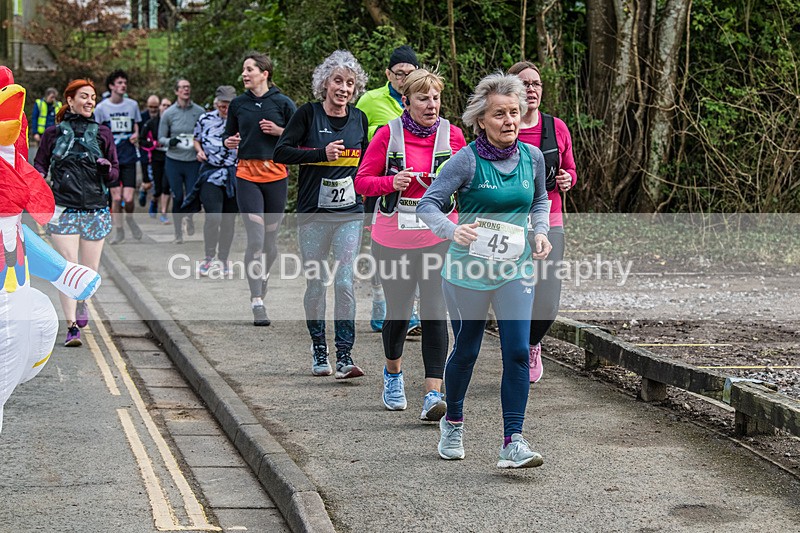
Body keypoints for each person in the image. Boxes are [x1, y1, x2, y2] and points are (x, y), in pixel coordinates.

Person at [417, 73, 552, 468]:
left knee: (515, 351)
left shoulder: (533, 158)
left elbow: (540, 199)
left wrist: (540, 232)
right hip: (467, 272)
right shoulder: (466, 160)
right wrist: (451, 229)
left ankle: (513, 441)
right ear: (481, 120)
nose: (509, 120)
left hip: (515, 270)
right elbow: (429, 204)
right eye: (499, 114)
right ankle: (453, 422)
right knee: (467, 350)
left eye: (514, 112)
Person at [354, 68, 466, 417]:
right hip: (393, 238)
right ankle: (392, 373)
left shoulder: (455, 136)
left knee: (435, 310)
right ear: (407, 101)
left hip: (439, 236)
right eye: (423, 98)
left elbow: (470, 182)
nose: (431, 105)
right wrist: (392, 181)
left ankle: (433, 393)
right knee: (400, 312)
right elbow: (362, 182)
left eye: (435, 98)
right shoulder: (389, 134)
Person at [274, 49, 369, 380]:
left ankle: (345, 356)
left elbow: (366, 162)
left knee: (344, 282)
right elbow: (281, 152)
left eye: (350, 83)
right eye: (338, 81)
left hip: (349, 214)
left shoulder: (359, 119)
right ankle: (319, 350)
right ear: (325, 83)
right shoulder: (307, 115)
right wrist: (319, 153)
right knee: (316, 282)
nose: (344, 88)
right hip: (313, 214)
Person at [33, 79, 120, 347]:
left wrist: (107, 169)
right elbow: (39, 166)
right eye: (84, 96)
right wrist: (35, 188)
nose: (90, 101)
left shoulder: (103, 133)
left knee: (89, 270)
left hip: (95, 208)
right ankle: (71, 326)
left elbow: (116, 175)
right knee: (67, 267)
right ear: (69, 100)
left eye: (93, 97)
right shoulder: (53, 133)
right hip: (63, 208)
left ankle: (83, 301)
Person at [508, 61, 578, 383]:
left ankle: (532, 343)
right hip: (509, 222)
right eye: (524, 84)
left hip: (549, 219)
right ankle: (517, 349)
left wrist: (567, 179)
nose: (531, 89)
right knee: (517, 290)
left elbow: (571, 170)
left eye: (536, 84)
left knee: (548, 299)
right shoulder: (503, 125)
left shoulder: (557, 127)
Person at [223, 51, 296, 325]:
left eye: (250, 69)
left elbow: (299, 137)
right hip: (247, 175)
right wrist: (228, 141)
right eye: (244, 69)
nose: (245, 74)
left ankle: (262, 277)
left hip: (276, 176)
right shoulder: (238, 104)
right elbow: (227, 135)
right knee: (254, 239)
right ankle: (257, 301)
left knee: (269, 242)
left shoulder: (283, 103)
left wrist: (279, 132)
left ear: (265, 73)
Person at [356, 45, 422, 334]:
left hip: (414, 192)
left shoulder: (423, 99)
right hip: (380, 189)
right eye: (399, 74)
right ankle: (379, 301)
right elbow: (354, 138)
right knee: (378, 248)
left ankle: (413, 312)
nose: (403, 79)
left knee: (416, 247)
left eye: (410, 74)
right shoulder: (370, 101)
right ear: (388, 73)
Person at [186, 85, 239, 276]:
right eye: (222, 106)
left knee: (228, 220)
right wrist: (198, 150)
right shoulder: (205, 118)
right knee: (213, 217)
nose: (225, 110)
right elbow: (196, 139)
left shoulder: (240, 120)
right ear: (216, 104)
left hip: (233, 173)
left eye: (228, 106)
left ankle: (223, 259)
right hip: (211, 172)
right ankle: (208, 258)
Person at [94, 69, 144, 244]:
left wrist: (135, 135)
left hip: (129, 156)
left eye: (125, 83)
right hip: (111, 160)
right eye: (120, 83)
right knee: (116, 197)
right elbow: (96, 133)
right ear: (111, 86)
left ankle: (129, 219)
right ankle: (119, 230)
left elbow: (137, 126)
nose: (123, 86)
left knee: (129, 199)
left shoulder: (132, 105)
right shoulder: (101, 108)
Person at [159, 78, 204, 243]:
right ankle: (178, 233)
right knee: (178, 196)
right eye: (183, 87)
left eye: (188, 87)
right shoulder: (169, 113)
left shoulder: (199, 112)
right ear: (176, 91)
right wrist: (169, 142)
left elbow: (205, 134)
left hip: (193, 160)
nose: (186, 90)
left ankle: (190, 217)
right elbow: (160, 138)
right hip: (174, 160)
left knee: (192, 195)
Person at [140, 97, 172, 224]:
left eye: (169, 105)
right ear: (160, 107)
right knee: (158, 187)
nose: (166, 107)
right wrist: (153, 144)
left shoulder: (174, 122)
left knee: (166, 186)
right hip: (156, 158)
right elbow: (141, 140)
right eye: (164, 105)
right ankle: (154, 201)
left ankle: (164, 213)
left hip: (171, 158)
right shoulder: (152, 122)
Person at [139, 94, 160, 216]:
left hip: (157, 153)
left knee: (157, 181)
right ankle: (143, 188)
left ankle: (154, 202)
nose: (153, 109)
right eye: (150, 107)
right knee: (147, 180)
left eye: (155, 107)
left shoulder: (161, 117)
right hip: (145, 152)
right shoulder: (142, 117)